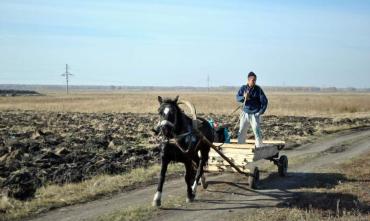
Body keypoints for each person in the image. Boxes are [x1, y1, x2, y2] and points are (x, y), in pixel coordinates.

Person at [236, 72, 268, 147]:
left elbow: (265, 101)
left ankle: (259, 147)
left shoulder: (258, 89)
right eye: (253, 80)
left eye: (255, 80)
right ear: (248, 80)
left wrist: (260, 112)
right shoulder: (243, 88)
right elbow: (237, 97)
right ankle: (240, 147)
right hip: (245, 112)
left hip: (255, 114)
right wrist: (244, 97)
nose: (254, 82)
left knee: (257, 131)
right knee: (241, 131)